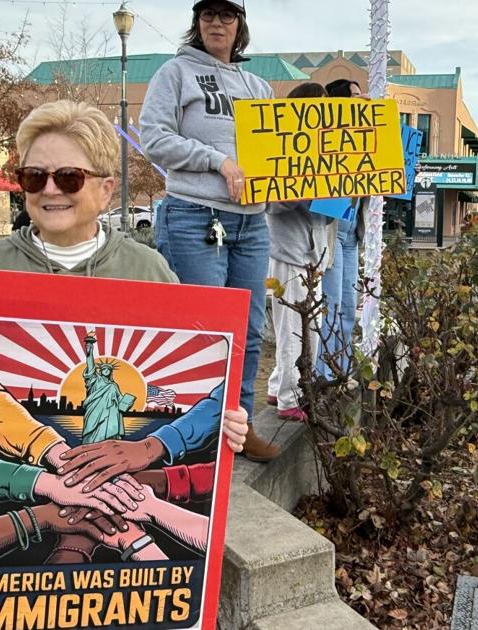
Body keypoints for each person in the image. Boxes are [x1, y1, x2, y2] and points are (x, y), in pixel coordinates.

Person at [0, 99, 249, 462]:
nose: (50, 190)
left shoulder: (149, 271)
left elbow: (189, 382)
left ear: (105, 190)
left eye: (69, 177)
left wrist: (222, 422)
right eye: (34, 176)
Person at [140, 0, 276, 461]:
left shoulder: (259, 86)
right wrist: (218, 161)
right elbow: (154, 137)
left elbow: (279, 150)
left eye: (228, 14)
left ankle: (239, 426)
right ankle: (193, 436)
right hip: (195, 215)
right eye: (208, 14)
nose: (217, 23)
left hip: (252, 221)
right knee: (202, 331)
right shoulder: (175, 73)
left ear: (241, 24)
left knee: (249, 330)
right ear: (197, 23)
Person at [264, 82, 334, 422]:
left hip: (311, 252)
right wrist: (289, 198)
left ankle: (280, 386)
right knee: (295, 327)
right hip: (288, 251)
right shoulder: (280, 148)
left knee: (303, 324)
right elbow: (265, 199)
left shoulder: (327, 151)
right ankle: (290, 397)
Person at [315, 79, 366, 383]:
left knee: (348, 303)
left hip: (352, 234)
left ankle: (342, 368)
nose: (361, 101)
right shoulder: (327, 141)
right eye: (355, 96)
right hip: (333, 232)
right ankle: (325, 372)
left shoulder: (366, 140)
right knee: (331, 305)